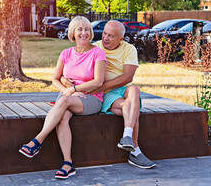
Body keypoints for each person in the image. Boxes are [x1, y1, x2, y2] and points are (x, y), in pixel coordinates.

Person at [19, 16, 107, 179]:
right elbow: (55, 79)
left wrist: (74, 89)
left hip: (91, 98)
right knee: (63, 118)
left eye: (87, 29)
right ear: (73, 32)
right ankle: (68, 163)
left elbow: (98, 81)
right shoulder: (66, 53)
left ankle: (37, 141)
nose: (84, 33)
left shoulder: (98, 53)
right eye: (80, 29)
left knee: (63, 101)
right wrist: (68, 90)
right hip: (69, 96)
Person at [61, 20, 156, 169]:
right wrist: (64, 79)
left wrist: (103, 85)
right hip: (104, 94)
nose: (105, 38)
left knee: (134, 90)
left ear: (121, 39)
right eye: (104, 33)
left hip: (121, 88)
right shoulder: (96, 47)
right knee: (131, 108)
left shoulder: (129, 49)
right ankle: (135, 151)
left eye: (111, 36)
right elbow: (73, 61)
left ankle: (127, 137)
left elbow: (127, 77)